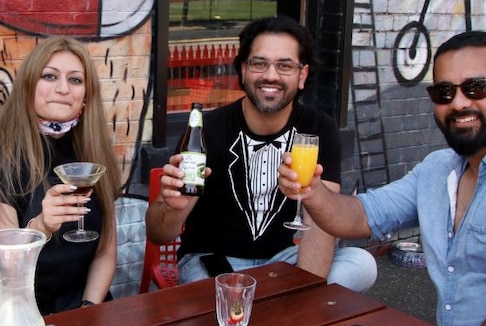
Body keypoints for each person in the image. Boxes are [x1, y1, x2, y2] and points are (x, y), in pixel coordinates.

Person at [279, 30, 486, 326]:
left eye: (476, 87)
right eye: (444, 91)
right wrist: (312, 192)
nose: (460, 102)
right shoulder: (439, 169)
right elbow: (360, 216)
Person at [146, 16, 377, 292]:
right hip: (214, 264)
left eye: (285, 65)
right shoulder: (207, 129)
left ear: (302, 76)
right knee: (215, 296)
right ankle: (271, 310)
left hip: (281, 261)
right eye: (259, 63)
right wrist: (173, 208)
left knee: (362, 264)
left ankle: (279, 309)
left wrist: (307, 291)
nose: (270, 75)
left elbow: (320, 223)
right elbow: (158, 234)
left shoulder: (318, 130)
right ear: (244, 70)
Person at [0, 36, 121, 326]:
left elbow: (105, 252)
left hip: (75, 307)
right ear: (28, 86)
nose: (63, 88)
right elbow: (8, 268)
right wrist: (41, 226)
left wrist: (87, 308)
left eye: (75, 80)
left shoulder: (92, 151)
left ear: (87, 94)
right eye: (49, 76)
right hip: (0, 307)